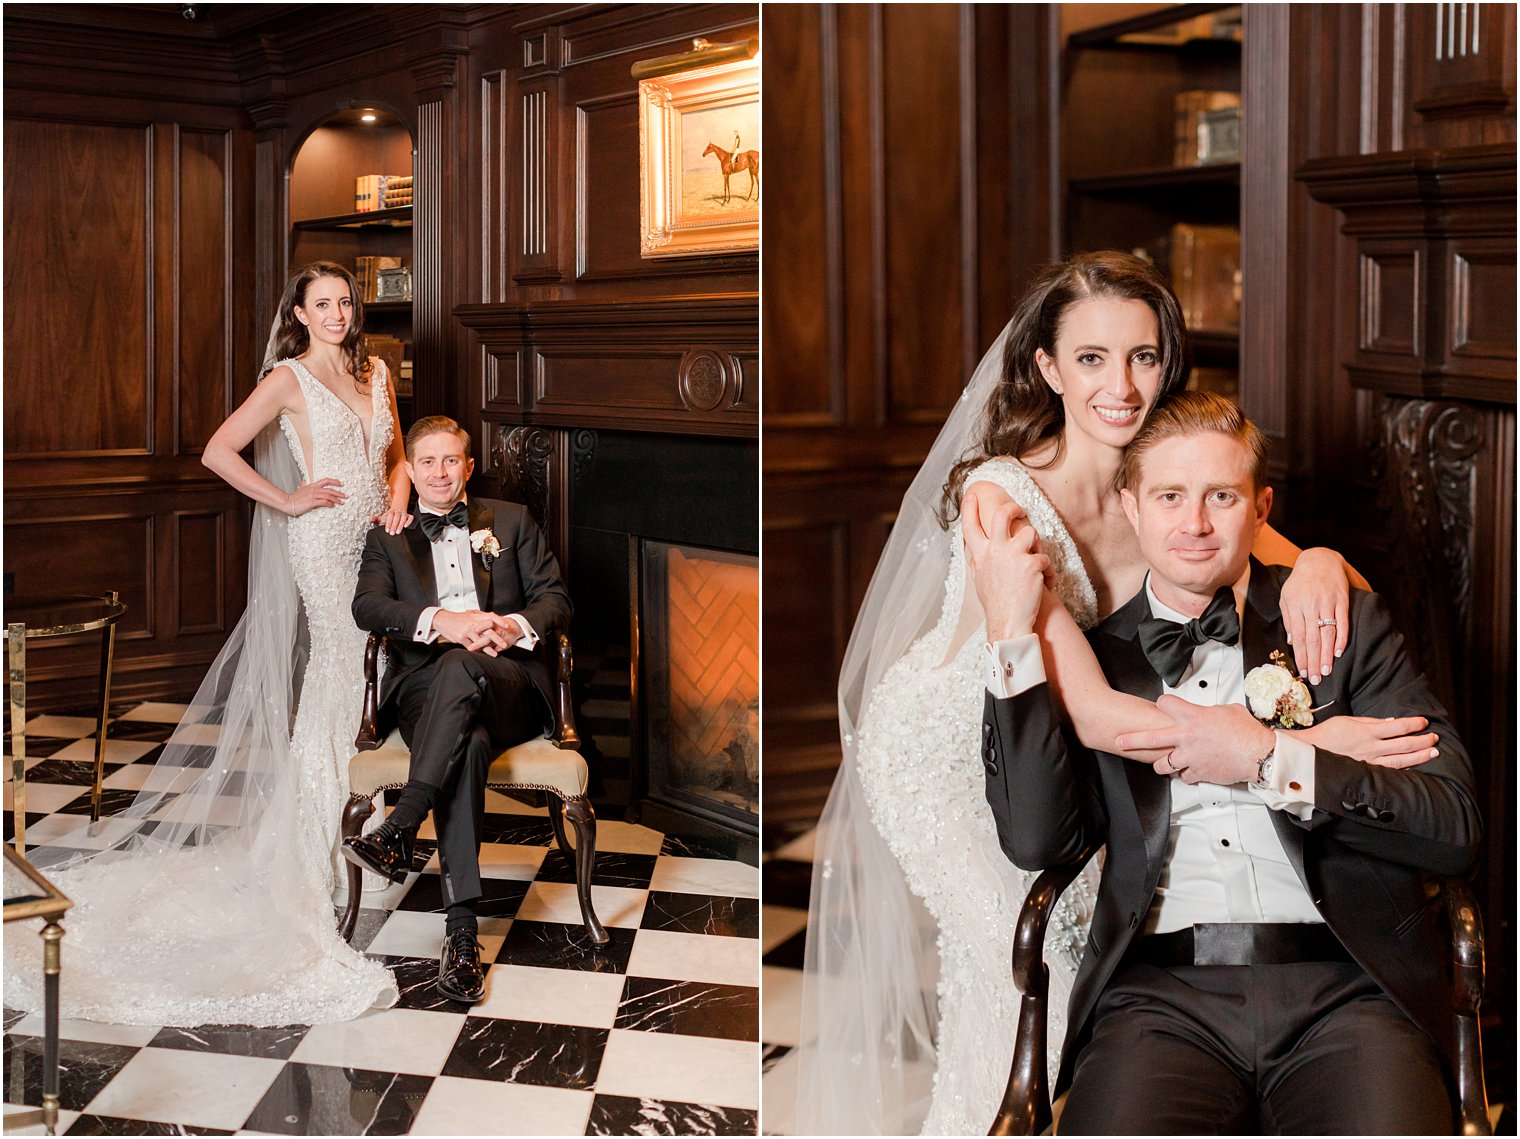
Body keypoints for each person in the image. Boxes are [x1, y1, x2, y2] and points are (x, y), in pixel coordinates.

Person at [793, 251, 1439, 1135]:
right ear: (1050, 369)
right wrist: (1309, 750)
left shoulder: (1166, 485)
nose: (1121, 384)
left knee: (1103, 939)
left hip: (1081, 746)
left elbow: (1319, 572)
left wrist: (1320, 558)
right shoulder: (1002, 497)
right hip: (954, 742)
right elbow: (1094, 709)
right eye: (1091, 358)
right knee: (1026, 963)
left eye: (1142, 356)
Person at [974, 390, 1480, 1133]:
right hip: (1156, 999)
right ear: (1130, 507)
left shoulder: (1340, 625)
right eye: (1171, 496)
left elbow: (1454, 824)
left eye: (1221, 496)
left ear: (1261, 506)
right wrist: (1012, 636)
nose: (1195, 524)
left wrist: (1270, 753)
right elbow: (1036, 842)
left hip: (1350, 986)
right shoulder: (1099, 662)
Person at [4, 261, 409, 1025]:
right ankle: (323, 845)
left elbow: (392, 466)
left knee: (377, 672)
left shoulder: (377, 368)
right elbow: (219, 450)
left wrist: (394, 510)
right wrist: (289, 498)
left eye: (345, 302)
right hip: (322, 542)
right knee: (340, 673)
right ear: (298, 310)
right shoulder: (289, 378)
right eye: (321, 302)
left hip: (379, 544)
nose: (336, 313)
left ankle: (372, 822)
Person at [343, 416, 572, 1001]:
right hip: (426, 691)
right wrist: (444, 622)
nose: (440, 473)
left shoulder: (511, 521)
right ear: (411, 472)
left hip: (508, 681)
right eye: (427, 462)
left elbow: (555, 598)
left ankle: (400, 824)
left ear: (468, 468)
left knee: (461, 664)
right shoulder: (388, 536)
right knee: (461, 730)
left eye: (451, 461)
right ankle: (462, 932)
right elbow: (367, 606)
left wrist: (510, 627)